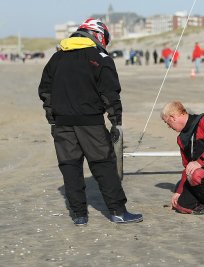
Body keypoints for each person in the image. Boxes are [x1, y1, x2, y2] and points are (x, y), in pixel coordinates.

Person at [38, 18, 143, 226]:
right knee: (104, 165)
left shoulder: (56, 58)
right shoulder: (100, 57)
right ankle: (118, 211)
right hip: (90, 123)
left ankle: (79, 215)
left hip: (62, 124)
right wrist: (116, 122)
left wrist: (52, 119)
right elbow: (110, 93)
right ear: (97, 35)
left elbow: (45, 92)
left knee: (70, 167)